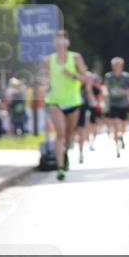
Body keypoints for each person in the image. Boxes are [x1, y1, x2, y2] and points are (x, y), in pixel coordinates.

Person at [45, 30, 90, 181]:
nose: (60, 43)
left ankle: (65, 154)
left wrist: (72, 75)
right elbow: (46, 78)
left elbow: (85, 79)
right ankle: (59, 167)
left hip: (73, 101)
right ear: (54, 43)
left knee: (69, 135)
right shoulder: (49, 60)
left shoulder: (75, 57)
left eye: (63, 40)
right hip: (55, 101)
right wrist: (44, 84)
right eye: (57, 40)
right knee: (60, 134)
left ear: (68, 42)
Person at [103, 57, 129, 158]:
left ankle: (121, 136)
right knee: (115, 125)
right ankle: (117, 149)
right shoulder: (108, 76)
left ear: (122, 66)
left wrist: (124, 92)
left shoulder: (126, 77)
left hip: (123, 104)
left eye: (118, 65)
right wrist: (105, 94)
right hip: (113, 104)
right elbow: (105, 87)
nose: (117, 67)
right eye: (115, 65)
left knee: (123, 126)